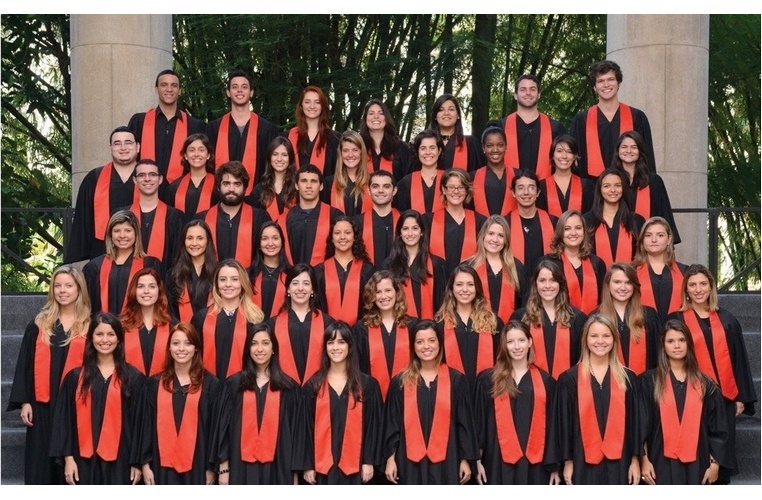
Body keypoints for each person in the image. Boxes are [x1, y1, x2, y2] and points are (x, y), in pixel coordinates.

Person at [667, 264, 757, 483]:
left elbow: (739, 359)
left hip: (724, 395)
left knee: (721, 451)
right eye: (692, 285)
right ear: (685, 289)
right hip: (689, 393)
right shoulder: (676, 319)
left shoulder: (727, 319)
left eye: (703, 284)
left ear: (711, 287)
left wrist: (740, 397)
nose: (698, 290)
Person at [8, 265, 91, 484]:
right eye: (57, 286)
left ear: (79, 289)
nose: (62, 290)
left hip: (76, 406)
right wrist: (25, 401)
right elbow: (25, 364)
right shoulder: (39, 324)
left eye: (68, 286)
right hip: (42, 405)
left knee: (73, 466)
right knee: (40, 465)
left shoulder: (89, 326)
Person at [50, 312, 146, 485]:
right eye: (99, 334)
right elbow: (64, 421)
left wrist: (137, 462)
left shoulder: (133, 378)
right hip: (82, 459)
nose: (105, 340)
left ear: (119, 339)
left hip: (122, 460)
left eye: (111, 334)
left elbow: (140, 425)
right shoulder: (75, 378)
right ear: (91, 338)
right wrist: (68, 459)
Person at [383, 320, 479, 485]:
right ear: (413, 346)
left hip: (448, 459)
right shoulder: (400, 382)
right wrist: (390, 459)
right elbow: (392, 424)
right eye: (420, 342)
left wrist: (465, 460)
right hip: (408, 460)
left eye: (432, 340)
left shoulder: (456, 380)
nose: (426, 346)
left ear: (440, 343)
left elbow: (463, 424)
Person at [552, 313, 643, 485]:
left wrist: (635, 460)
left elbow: (635, 424)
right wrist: (568, 461)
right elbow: (564, 424)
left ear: (614, 339)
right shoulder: (569, 379)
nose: (600, 341)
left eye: (606, 336)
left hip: (621, 461)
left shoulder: (628, 378)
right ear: (585, 339)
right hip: (581, 460)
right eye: (594, 336)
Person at [639, 319, 729, 485]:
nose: (677, 346)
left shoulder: (706, 384)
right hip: (659, 461)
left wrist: (714, 465)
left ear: (689, 343)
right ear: (663, 345)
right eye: (670, 341)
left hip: (698, 463)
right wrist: (644, 460)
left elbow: (718, 429)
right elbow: (641, 426)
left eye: (682, 340)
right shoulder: (649, 381)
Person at [473, 320, 560, 485]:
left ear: (530, 342)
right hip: (496, 461)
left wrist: (554, 467)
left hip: (536, 463)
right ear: (504, 345)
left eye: (521, 340)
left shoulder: (546, 382)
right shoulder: (488, 380)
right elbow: (480, 424)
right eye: (510, 342)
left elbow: (552, 427)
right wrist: (477, 461)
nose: (517, 346)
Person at [297, 322, 383, 485]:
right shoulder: (313, 386)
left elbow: (373, 426)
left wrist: (369, 460)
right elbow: (305, 428)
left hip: (357, 466)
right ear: (325, 347)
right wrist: (308, 465)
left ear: (350, 346)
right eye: (331, 342)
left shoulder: (367, 385)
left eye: (341, 342)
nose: (335, 347)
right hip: (322, 468)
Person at [215, 322, 300, 485]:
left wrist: (294, 477)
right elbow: (223, 430)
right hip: (240, 466)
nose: (259, 349)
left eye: (265, 343)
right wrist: (224, 469)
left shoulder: (288, 388)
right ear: (248, 348)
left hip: (278, 467)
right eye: (254, 343)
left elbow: (295, 436)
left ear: (274, 348)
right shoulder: (234, 385)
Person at [137, 322, 221, 485]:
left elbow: (214, 431)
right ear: (169, 348)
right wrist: (145, 464)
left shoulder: (211, 385)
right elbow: (146, 427)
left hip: (198, 465)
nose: (181, 348)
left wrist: (212, 468)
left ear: (196, 348)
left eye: (188, 343)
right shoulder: (154, 384)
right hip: (160, 466)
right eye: (176, 343)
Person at [570, 59, 656, 178]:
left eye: (610, 79)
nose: (606, 85)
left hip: (630, 185)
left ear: (618, 83)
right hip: (592, 186)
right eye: (600, 81)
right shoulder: (581, 121)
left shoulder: (637, 117)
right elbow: (574, 163)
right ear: (594, 87)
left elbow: (647, 159)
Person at [65, 126, 139, 263]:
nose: (123, 147)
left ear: (138, 147)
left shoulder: (148, 178)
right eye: (117, 143)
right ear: (111, 148)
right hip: (102, 250)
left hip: (142, 248)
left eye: (128, 142)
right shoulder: (94, 178)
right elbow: (84, 218)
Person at [510, 259, 587, 379]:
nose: (547, 286)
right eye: (542, 280)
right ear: (535, 284)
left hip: (568, 384)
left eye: (553, 280)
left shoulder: (577, 318)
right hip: (531, 385)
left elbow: (583, 358)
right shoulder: (521, 317)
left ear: (560, 283)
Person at [206, 69, 278, 194]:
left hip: (257, 198)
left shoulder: (267, 129)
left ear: (251, 92)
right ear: (228, 92)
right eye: (235, 87)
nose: (239, 90)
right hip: (220, 198)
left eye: (244, 87)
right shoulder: (213, 128)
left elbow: (273, 168)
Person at [128, 69, 206, 184]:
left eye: (174, 85)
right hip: (145, 187)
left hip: (180, 189)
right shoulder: (139, 121)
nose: (169, 89)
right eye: (164, 85)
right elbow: (128, 158)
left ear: (179, 90)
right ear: (156, 89)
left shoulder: (194, 125)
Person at [191, 260, 265, 379]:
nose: (228, 284)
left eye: (235, 279)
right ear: (217, 284)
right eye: (223, 279)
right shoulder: (201, 318)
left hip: (243, 384)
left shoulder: (254, 319)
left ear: (242, 283)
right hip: (206, 384)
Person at [82, 210, 163, 316]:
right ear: (110, 235)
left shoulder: (150, 264)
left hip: (139, 324)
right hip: (103, 325)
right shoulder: (94, 267)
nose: (122, 235)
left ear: (136, 234)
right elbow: (87, 305)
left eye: (128, 230)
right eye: (116, 231)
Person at [266, 264, 335, 386]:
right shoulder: (272, 325)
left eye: (306, 283)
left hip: (319, 390)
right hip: (283, 390)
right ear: (288, 289)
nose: (300, 288)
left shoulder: (328, 323)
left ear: (312, 289)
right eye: (295, 283)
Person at [435, 264, 500, 391]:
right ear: (451, 288)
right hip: (452, 390)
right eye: (459, 284)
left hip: (486, 390)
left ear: (477, 288)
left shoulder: (493, 321)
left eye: (470, 284)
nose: (465, 289)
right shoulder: (440, 324)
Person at [354, 270, 416, 401]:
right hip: (372, 400)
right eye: (378, 292)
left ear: (397, 292)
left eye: (388, 290)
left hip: (408, 398)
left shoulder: (413, 326)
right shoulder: (361, 329)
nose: (383, 296)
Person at [196, 160, 271, 268]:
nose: (231, 189)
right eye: (226, 184)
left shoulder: (260, 218)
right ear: (218, 187)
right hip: (212, 278)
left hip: (249, 278)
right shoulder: (202, 219)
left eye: (237, 184)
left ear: (245, 188)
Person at [612, 130, 681, 243]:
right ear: (618, 151)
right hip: (617, 241)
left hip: (649, 242)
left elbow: (663, 215)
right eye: (624, 147)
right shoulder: (610, 180)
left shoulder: (654, 181)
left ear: (640, 151)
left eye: (634, 147)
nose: (628, 151)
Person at [594, 263, 661, 374]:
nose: (623, 288)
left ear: (634, 286)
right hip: (607, 382)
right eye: (617, 282)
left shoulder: (649, 316)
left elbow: (658, 356)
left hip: (644, 382)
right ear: (607, 284)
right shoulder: (595, 317)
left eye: (628, 283)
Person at [383, 210, 447, 320]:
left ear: (422, 232)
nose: (410, 233)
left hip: (429, 326)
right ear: (399, 233)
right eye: (405, 229)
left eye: (415, 228)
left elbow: (442, 302)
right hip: (398, 325)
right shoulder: (389, 264)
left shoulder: (436, 263)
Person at [464, 215, 526, 325]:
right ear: (483, 236)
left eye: (501, 235)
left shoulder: (517, 267)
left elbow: (524, 304)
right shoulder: (469, 266)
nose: (495, 239)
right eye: (491, 233)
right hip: (475, 328)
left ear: (506, 240)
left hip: (510, 330)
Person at [501, 74, 565, 178]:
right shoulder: (501, 127)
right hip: (509, 186)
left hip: (545, 186)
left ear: (539, 94)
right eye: (523, 89)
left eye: (532, 89)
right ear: (515, 95)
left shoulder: (555, 128)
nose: (528, 93)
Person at [122, 159, 184, 266]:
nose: (147, 179)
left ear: (160, 179)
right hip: (128, 275)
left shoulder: (175, 217)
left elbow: (179, 257)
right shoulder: (123, 216)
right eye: (141, 175)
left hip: (165, 275)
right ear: (135, 180)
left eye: (152, 174)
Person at [277, 164, 342, 266]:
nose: (308, 186)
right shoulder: (284, 220)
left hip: (325, 274)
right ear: (296, 185)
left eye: (313, 181)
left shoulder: (334, 216)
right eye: (304, 181)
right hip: (292, 275)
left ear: (321, 186)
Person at [315, 216, 375, 326]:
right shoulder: (319, 272)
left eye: (347, 233)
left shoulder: (368, 271)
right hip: (327, 332)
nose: (342, 237)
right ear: (332, 238)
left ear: (354, 237)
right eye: (337, 233)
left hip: (360, 332)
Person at [426, 168, 486, 277]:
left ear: (467, 190)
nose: (456, 191)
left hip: (470, 283)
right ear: (443, 189)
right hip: (438, 282)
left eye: (461, 187)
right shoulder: (428, 221)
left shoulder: (480, 221)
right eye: (451, 187)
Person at [545, 210, 606, 314]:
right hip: (559, 320)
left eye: (578, 228)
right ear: (560, 232)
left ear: (584, 231)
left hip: (593, 321)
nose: (573, 233)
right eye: (567, 229)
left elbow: (604, 299)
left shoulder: (597, 263)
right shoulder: (548, 263)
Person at [583, 167, 645, 267]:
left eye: (617, 185)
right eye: (606, 186)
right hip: (595, 276)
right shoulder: (586, 221)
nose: (612, 190)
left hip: (631, 275)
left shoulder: (636, 220)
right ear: (599, 189)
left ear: (623, 188)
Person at [633, 216, 687, 325]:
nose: (654, 240)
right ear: (642, 239)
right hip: (641, 330)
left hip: (677, 331)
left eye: (660, 235)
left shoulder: (684, 271)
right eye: (648, 235)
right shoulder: (631, 272)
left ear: (669, 239)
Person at [120, 268, 173, 376]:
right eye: (141, 286)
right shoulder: (121, 326)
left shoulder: (172, 326)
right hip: (128, 384)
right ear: (134, 290)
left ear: (159, 290)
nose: (146, 291)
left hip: (163, 384)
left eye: (152, 286)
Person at [504, 170, 558, 273]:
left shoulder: (553, 222)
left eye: (531, 188)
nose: (526, 192)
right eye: (520, 188)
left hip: (545, 280)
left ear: (538, 192)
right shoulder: (505, 223)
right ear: (513, 193)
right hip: (514, 278)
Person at [166, 220, 217, 323]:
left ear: (208, 241)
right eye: (189, 238)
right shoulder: (173, 274)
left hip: (213, 328)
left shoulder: (219, 272)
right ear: (184, 241)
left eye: (200, 238)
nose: (194, 243)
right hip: (182, 330)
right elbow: (170, 311)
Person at [286, 85, 340, 176]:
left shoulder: (335, 139)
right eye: (307, 102)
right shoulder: (287, 137)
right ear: (301, 106)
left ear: (322, 106)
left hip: (326, 185)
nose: (312, 106)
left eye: (317, 102)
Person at [165, 133, 219, 223]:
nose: (196, 154)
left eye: (201, 150)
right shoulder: (174, 187)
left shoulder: (218, 185)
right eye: (191, 150)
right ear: (185, 155)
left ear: (208, 155)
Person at [537, 135, 595, 217]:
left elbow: (590, 216)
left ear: (574, 156)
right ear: (552, 155)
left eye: (569, 152)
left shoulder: (586, 185)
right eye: (559, 151)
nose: (564, 156)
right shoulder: (541, 186)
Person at [359, 98, 412, 181]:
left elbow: (408, 179)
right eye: (371, 113)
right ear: (365, 118)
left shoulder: (400, 148)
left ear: (386, 118)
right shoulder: (358, 146)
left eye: (381, 113)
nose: (376, 116)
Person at [429, 94, 484, 172]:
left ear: (458, 115)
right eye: (441, 110)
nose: (446, 113)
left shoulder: (471, 144)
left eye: (451, 109)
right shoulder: (424, 144)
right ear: (435, 116)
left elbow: (479, 174)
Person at [355, 170, 400, 266]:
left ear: (394, 191)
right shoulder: (356, 223)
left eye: (386, 186)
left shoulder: (404, 221)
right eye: (375, 186)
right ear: (369, 190)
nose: (380, 190)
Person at [394, 130, 445, 214]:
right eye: (423, 148)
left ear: (439, 151)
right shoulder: (406, 183)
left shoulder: (449, 180)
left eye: (432, 148)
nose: (428, 152)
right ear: (417, 152)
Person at [323, 130, 373, 216]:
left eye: (355, 150)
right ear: (340, 153)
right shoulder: (329, 183)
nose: (350, 155)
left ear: (361, 152)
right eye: (346, 150)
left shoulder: (372, 182)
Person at [471, 125, 517, 217]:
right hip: (481, 225)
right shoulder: (472, 178)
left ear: (506, 146)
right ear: (483, 148)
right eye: (490, 146)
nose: (495, 150)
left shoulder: (518, 176)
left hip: (513, 225)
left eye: (500, 145)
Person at [248, 136, 298, 221]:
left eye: (284, 155)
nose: (279, 159)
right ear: (269, 158)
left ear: (290, 158)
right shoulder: (259, 190)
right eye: (275, 154)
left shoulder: (298, 188)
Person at [248, 221, 291, 319]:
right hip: (252, 326)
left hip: (281, 326)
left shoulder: (291, 274)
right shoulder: (248, 274)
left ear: (282, 242)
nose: (270, 243)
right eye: (265, 239)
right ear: (259, 243)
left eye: (275, 238)